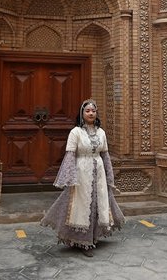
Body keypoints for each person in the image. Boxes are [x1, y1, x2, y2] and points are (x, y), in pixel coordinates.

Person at [41, 99, 125, 257]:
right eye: (87, 111)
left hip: (98, 172)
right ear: (82, 114)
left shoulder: (101, 132)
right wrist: (70, 177)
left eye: (93, 111)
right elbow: (70, 155)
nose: (91, 113)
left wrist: (109, 175)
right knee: (82, 205)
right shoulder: (76, 132)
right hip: (82, 172)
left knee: (98, 203)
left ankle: (93, 237)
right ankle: (83, 241)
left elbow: (105, 155)